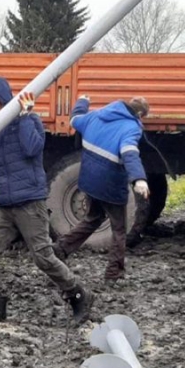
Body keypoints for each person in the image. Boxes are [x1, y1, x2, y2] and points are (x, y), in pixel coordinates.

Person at [0, 76, 94, 324]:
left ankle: (79, 296)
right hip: (5, 206)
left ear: (1, 99)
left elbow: (33, 148)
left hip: (30, 203)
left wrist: (24, 115)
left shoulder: (29, 120)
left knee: (43, 257)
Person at [52, 95, 150, 282]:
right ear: (138, 113)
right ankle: (114, 273)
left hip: (90, 181)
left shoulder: (95, 116)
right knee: (119, 230)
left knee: (93, 218)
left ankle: (60, 249)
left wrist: (82, 101)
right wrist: (139, 179)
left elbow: (74, 119)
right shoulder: (131, 128)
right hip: (111, 185)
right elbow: (130, 153)